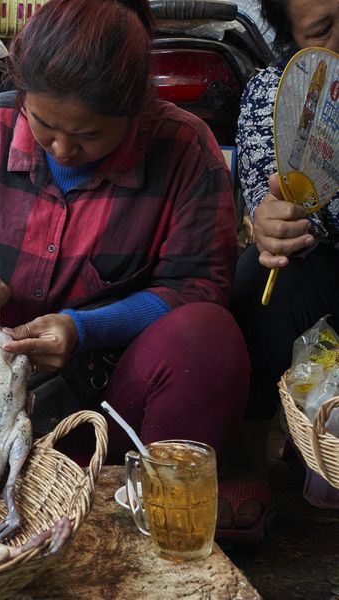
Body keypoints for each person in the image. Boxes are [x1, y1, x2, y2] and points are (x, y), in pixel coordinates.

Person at [0, 0, 249, 472]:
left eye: (90, 135)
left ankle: (139, 505)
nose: (64, 148)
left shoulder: (185, 150)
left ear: (136, 113)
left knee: (207, 338)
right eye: (45, 125)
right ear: (23, 95)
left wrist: (85, 328)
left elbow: (198, 288)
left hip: (104, 402)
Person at [229, 0, 339, 541]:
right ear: (293, 40)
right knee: (264, 274)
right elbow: (264, 189)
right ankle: (255, 462)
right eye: (322, 30)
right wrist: (271, 220)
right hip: (327, 277)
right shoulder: (277, 92)